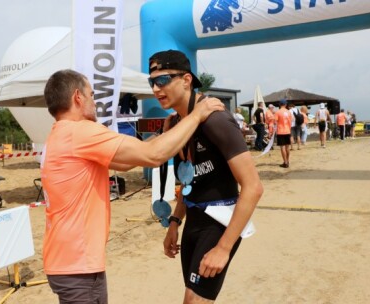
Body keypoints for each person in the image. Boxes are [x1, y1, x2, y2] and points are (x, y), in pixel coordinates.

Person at [40, 68, 224, 303]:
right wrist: (196, 115)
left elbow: (125, 162)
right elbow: (154, 156)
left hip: (66, 261)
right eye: (92, 95)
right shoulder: (80, 132)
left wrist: (162, 133)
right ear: (78, 97)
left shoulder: (60, 134)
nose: (95, 103)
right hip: (78, 265)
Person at [148, 50, 263, 303]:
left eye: (164, 80)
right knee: (193, 297)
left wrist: (224, 248)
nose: (156, 88)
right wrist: (175, 222)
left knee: (194, 300)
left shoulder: (215, 119)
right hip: (194, 221)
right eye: (152, 82)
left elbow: (253, 187)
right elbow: (188, 180)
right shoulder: (174, 124)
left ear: (186, 80)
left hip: (219, 222)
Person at [275, 99, 292, 168]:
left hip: (280, 131)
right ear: (285, 104)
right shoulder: (288, 112)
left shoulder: (278, 112)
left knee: (282, 147)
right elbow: (290, 122)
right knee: (287, 147)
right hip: (287, 130)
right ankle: (287, 161)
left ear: (279, 104)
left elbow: (275, 122)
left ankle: (285, 162)